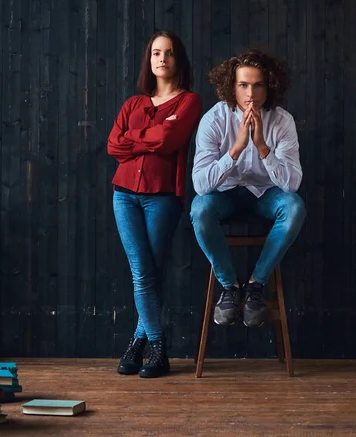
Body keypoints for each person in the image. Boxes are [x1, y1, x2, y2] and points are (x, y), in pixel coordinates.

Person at [107, 31, 202, 378]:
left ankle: (140, 345)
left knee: (149, 273)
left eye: (170, 53)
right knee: (142, 272)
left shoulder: (189, 102)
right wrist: (150, 136)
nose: (162, 59)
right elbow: (113, 146)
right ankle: (155, 347)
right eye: (156, 53)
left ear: (179, 60)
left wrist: (138, 138)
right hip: (124, 195)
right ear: (149, 60)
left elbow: (170, 139)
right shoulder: (133, 104)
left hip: (162, 199)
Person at [190, 49, 305, 329]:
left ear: (270, 86)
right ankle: (229, 287)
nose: (250, 94)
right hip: (225, 195)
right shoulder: (214, 120)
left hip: (265, 195)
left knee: (294, 207)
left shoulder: (282, 121)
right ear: (232, 87)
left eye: (257, 85)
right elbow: (201, 185)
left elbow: (291, 185)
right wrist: (237, 147)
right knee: (200, 208)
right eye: (243, 85)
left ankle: (255, 285)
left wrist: (262, 146)